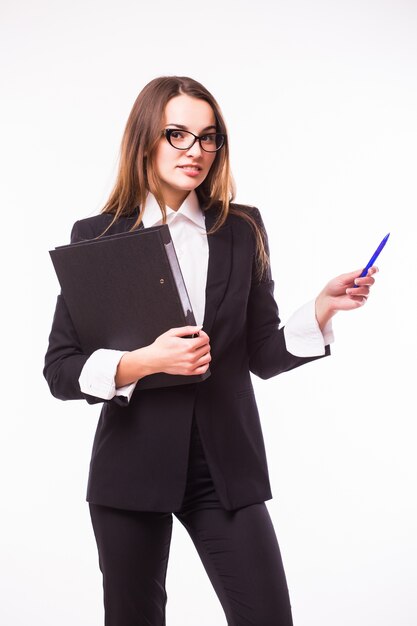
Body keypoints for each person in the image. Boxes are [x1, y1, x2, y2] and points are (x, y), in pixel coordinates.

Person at [44, 76, 377, 626]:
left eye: (208, 137)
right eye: (177, 134)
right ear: (145, 139)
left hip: (225, 463)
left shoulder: (240, 229)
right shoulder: (98, 235)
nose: (194, 150)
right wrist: (146, 361)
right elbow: (60, 370)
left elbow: (264, 354)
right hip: (131, 467)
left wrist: (321, 308)